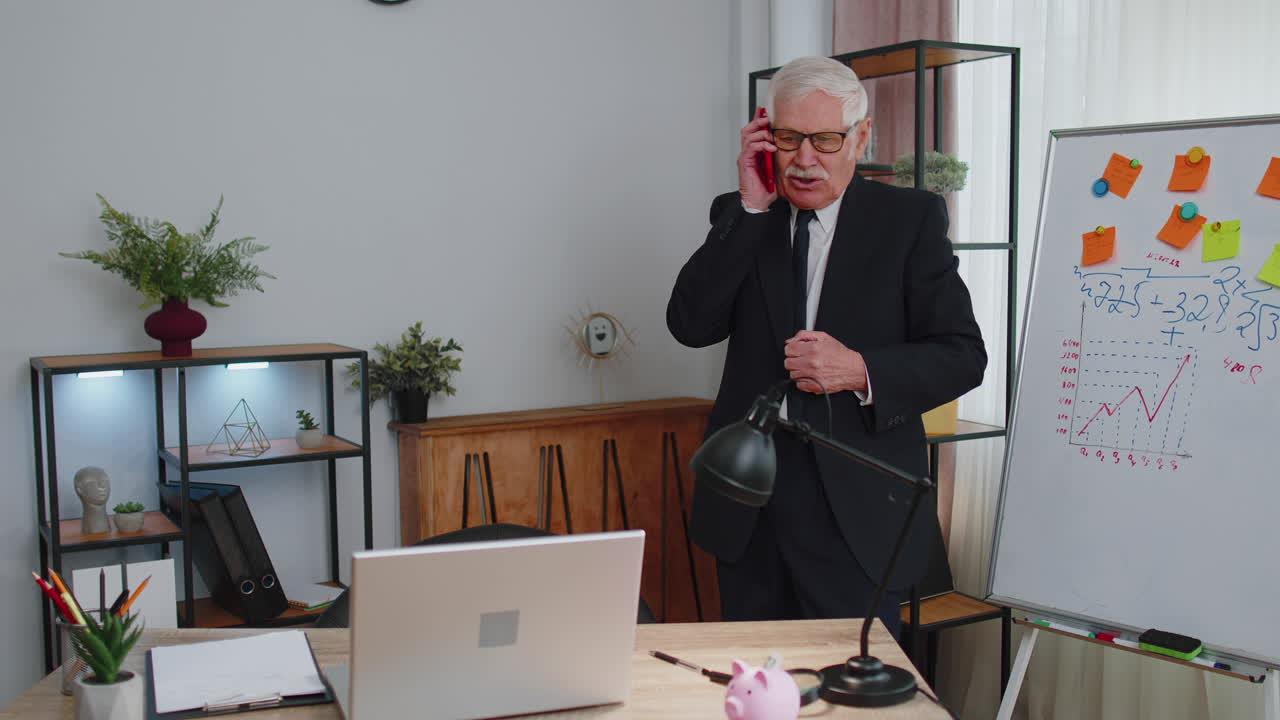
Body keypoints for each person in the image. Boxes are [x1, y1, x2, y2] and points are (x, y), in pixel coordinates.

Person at [666, 56, 986, 636]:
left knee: (848, 690)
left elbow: (963, 354)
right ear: (766, 135)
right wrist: (751, 208)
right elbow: (690, 325)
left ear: (861, 136)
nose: (805, 159)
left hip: (856, 507)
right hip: (749, 499)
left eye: (826, 139)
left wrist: (860, 369)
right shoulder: (743, 213)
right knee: (756, 682)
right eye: (788, 138)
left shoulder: (909, 221)